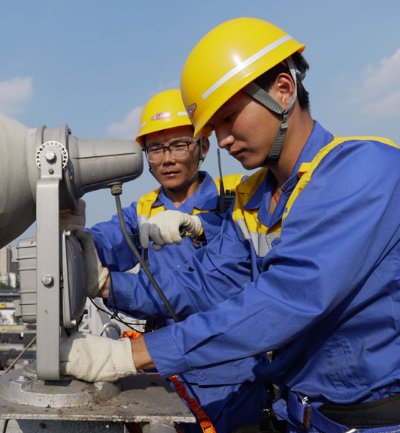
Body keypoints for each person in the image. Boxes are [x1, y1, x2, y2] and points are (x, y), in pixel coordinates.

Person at [60, 17, 400, 433]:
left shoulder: (365, 173)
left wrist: (131, 356)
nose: (224, 139)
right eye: (214, 127)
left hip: (376, 421)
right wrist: (106, 283)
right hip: (298, 416)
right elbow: (206, 283)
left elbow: (285, 299)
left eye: (229, 117)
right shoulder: (255, 199)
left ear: (284, 90)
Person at [66, 89, 265, 433]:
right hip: (165, 361)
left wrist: (201, 226)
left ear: (203, 147)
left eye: (178, 144)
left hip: (230, 362)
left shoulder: (234, 196)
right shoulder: (142, 211)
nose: (167, 159)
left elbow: (240, 257)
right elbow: (108, 240)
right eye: (156, 149)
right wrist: (75, 237)